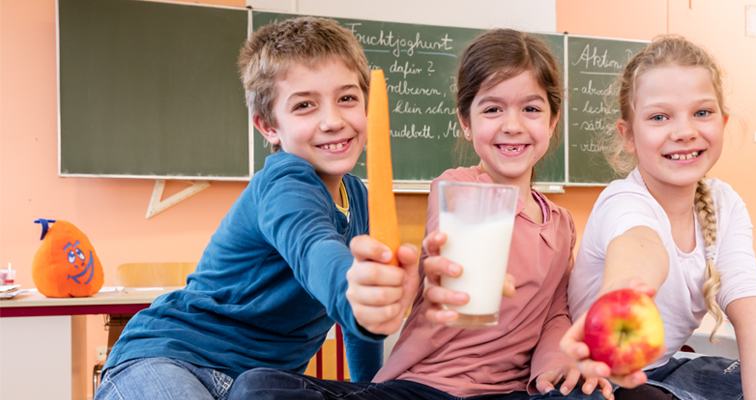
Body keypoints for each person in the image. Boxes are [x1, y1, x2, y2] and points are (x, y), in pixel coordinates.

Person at [228, 28, 612, 400]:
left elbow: (555, 316)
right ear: (467, 122)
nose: (512, 125)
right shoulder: (456, 187)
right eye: (493, 109)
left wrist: (552, 365)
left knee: (590, 394)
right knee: (260, 386)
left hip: (507, 392)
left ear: (552, 121)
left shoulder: (561, 225)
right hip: (423, 387)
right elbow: (460, 252)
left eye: (531, 108)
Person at [95, 17, 420, 400]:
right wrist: (353, 292)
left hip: (255, 386)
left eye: (347, 98)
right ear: (268, 126)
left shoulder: (359, 199)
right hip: (168, 359)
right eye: (304, 105)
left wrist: (371, 388)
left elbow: (357, 330)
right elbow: (315, 248)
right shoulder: (284, 182)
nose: (333, 121)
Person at [559, 35, 756, 400]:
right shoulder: (623, 200)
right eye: (659, 117)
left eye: (702, 112)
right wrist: (624, 296)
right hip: (605, 380)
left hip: (668, 368)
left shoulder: (725, 204)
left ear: (723, 122)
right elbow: (640, 248)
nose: (684, 132)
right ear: (629, 135)